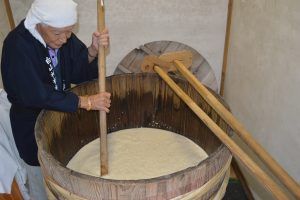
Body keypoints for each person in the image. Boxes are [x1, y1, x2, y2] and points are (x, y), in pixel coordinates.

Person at [1, 0, 111, 199]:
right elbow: (35, 93)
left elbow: (77, 70)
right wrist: (84, 102)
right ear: (39, 23)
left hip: (60, 116)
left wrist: (93, 51)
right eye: (58, 33)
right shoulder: (17, 46)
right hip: (31, 126)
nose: (64, 39)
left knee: (64, 169)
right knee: (41, 181)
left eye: (69, 32)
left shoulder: (62, 35)